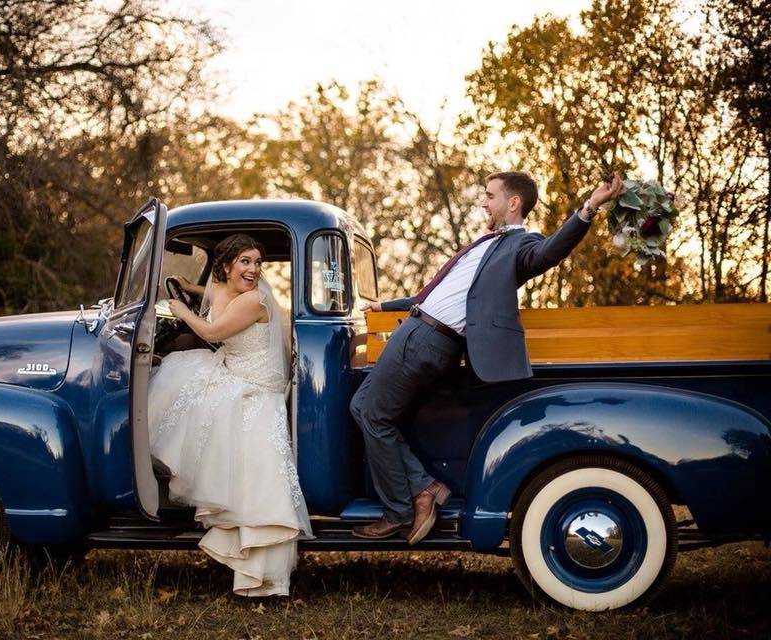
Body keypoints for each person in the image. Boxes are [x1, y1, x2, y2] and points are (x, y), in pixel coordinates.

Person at [349, 171, 625, 544]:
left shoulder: (521, 245)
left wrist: (590, 207)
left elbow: (551, 252)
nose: (483, 202)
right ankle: (424, 487)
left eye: (489, 195)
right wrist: (383, 306)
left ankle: (402, 509)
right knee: (363, 406)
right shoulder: (485, 244)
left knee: (372, 413)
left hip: (426, 338)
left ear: (513, 202)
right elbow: (433, 296)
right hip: (418, 328)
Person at [148, 233, 312, 597]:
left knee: (177, 381)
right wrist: (185, 285)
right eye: (246, 262)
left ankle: (259, 572)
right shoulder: (232, 291)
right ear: (227, 266)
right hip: (239, 372)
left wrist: (181, 310)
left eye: (257, 263)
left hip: (254, 386)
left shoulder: (253, 300)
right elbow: (212, 291)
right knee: (183, 376)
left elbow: (210, 330)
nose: (254, 270)